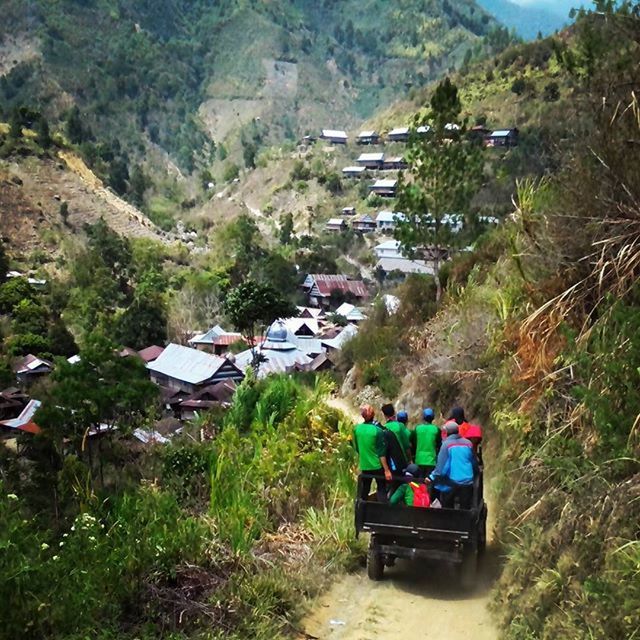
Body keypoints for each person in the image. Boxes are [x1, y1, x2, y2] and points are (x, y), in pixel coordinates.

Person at [429, 421, 478, 509]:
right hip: (467, 482)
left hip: (451, 482)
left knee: (448, 508)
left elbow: (441, 467)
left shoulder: (446, 445)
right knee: (465, 509)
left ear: (446, 432)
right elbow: (474, 462)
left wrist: (431, 477)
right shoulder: (468, 443)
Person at [352, 405, 392, 502]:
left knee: (364, 491)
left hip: (365, 466)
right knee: (381, 489)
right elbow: (381, 453)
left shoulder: (356, 429)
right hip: (377, 466)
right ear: (373, 415)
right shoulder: (378, 431)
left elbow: (356, 447)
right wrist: (386, 470)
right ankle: (382, 512)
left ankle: (361, 512)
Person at [381, 404, 412, 474]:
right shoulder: (400, 426)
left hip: (391, 462)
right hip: (403, 460)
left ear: (384, 415)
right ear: (394, 412)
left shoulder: (383, 428)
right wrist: (410, 460)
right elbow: (407, 445)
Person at [410, 408, 441, 478]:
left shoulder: (417, 429)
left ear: (423, 417)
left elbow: (412, 443)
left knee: (419, 484)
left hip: (419, 460)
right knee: (429, 483)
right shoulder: (436, 429)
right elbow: (439, 445)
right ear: (433, 418)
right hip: (431, 461)